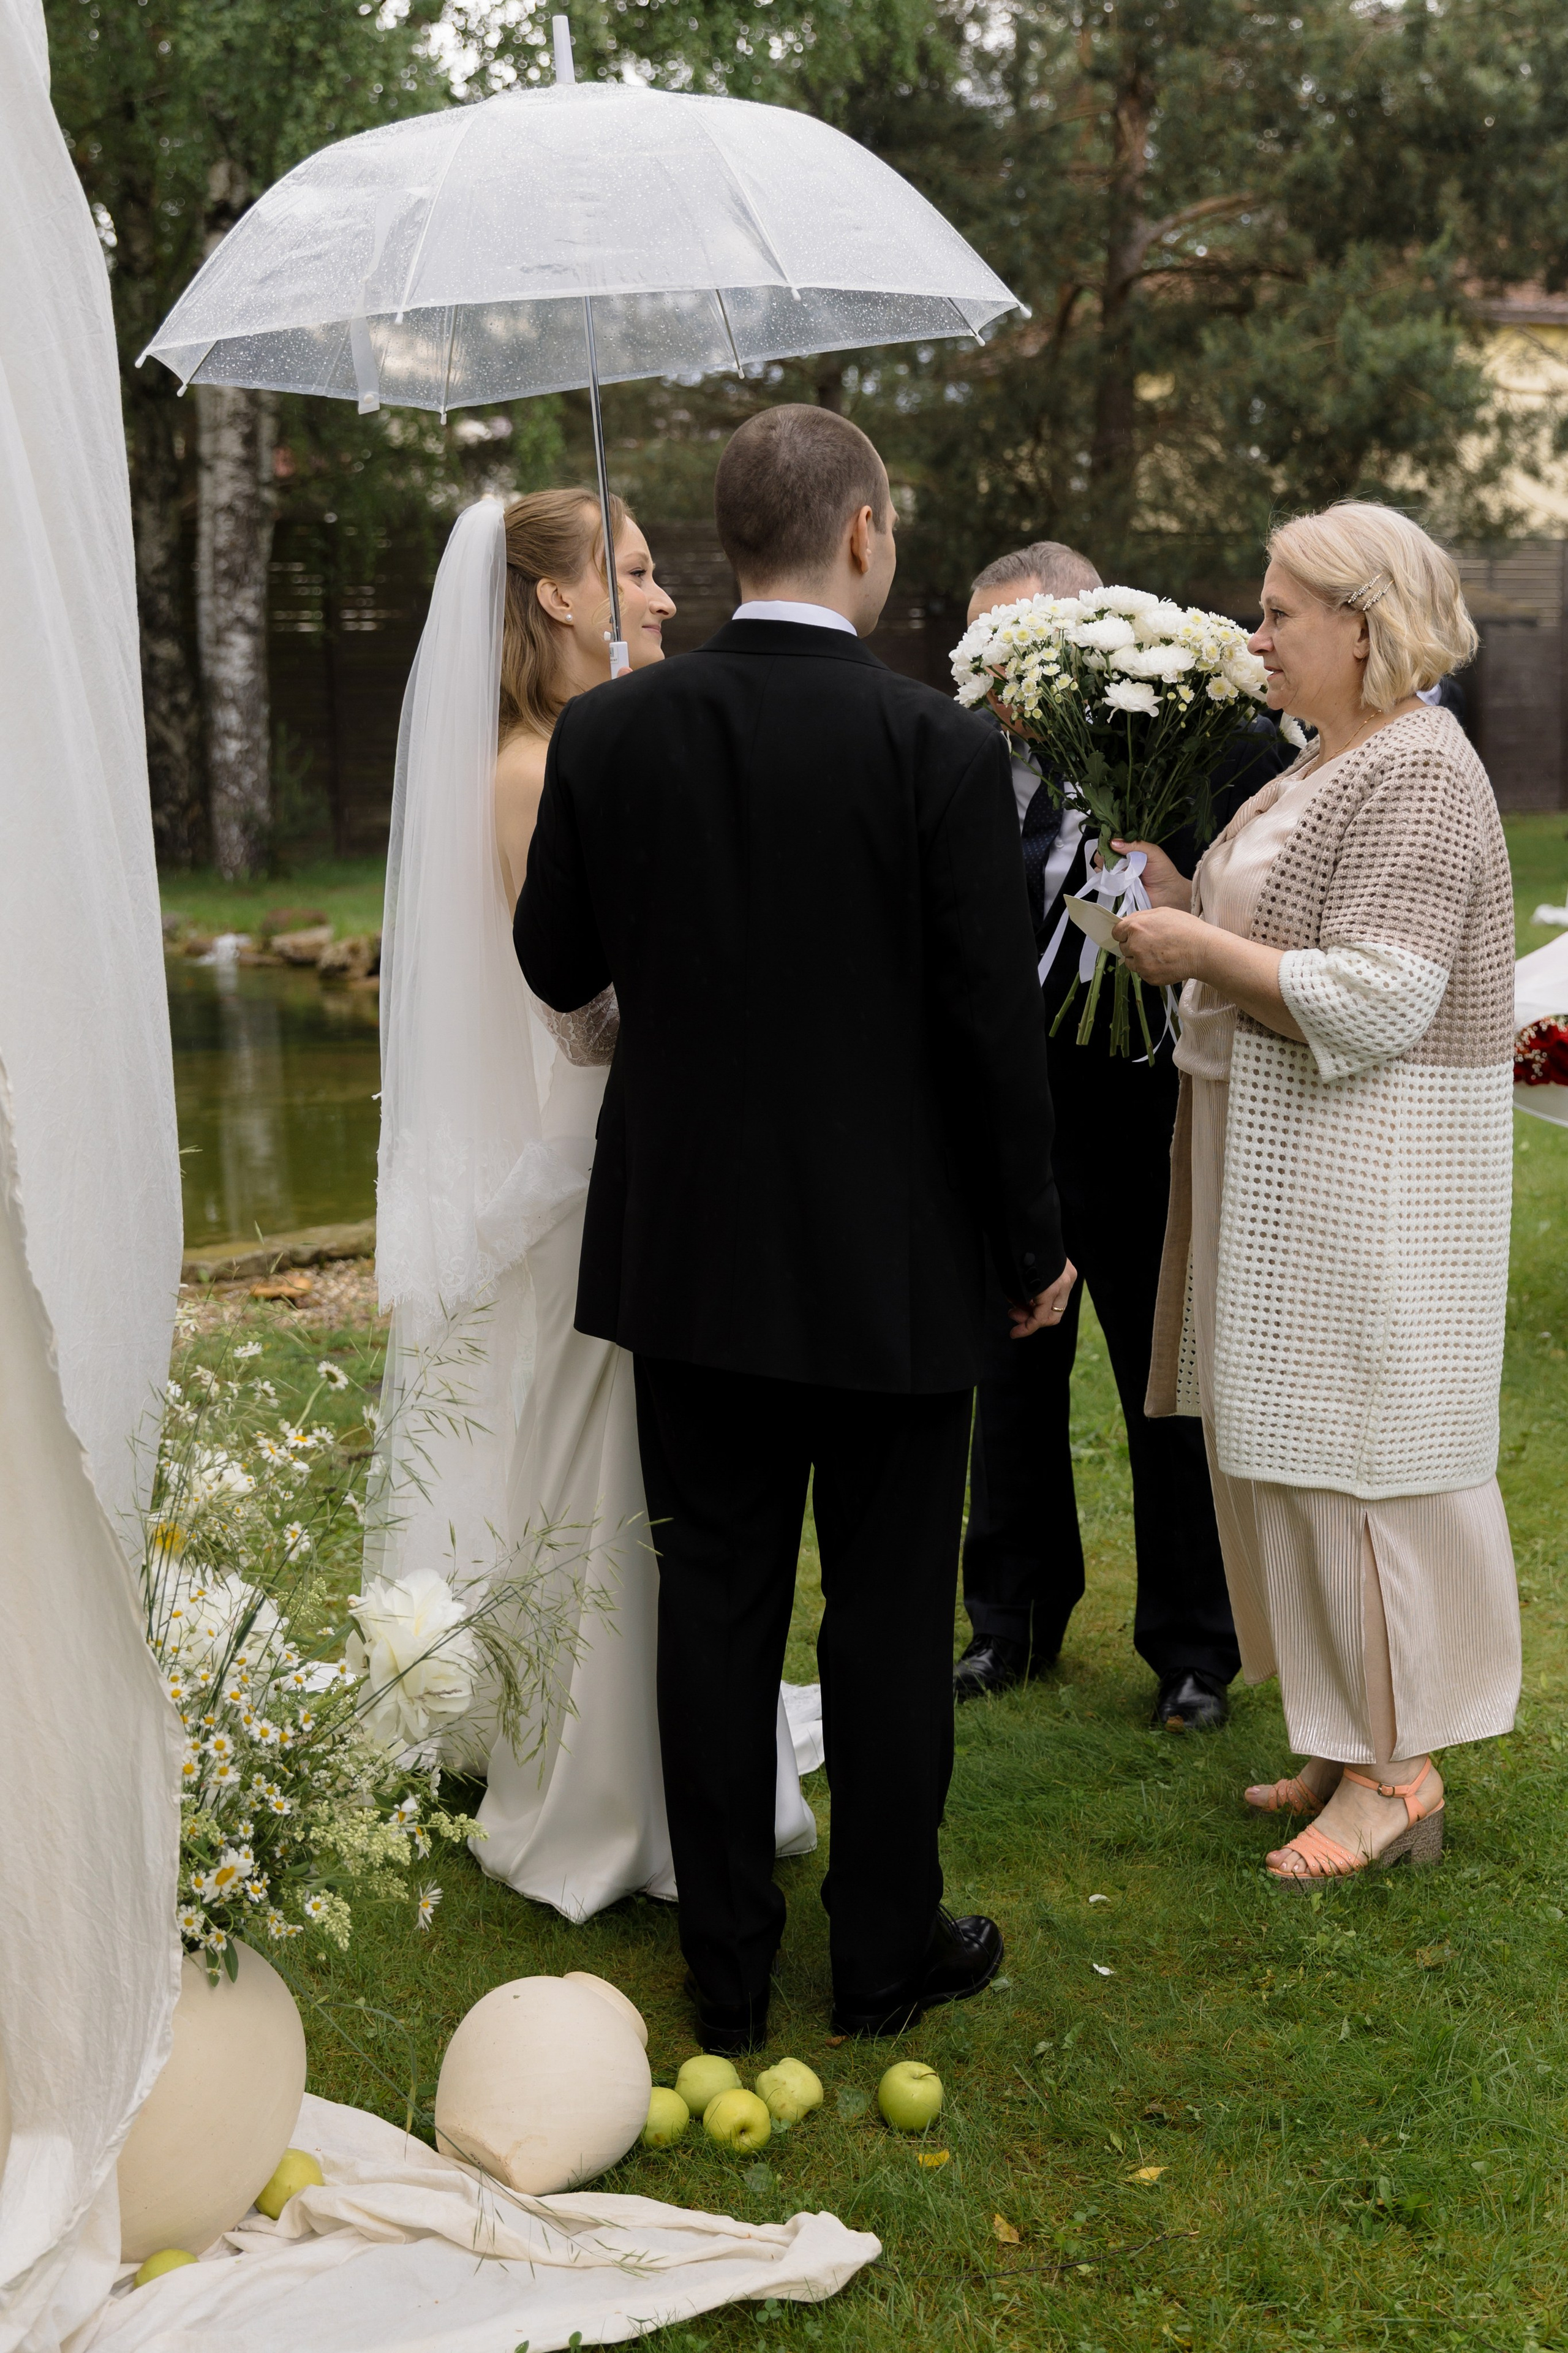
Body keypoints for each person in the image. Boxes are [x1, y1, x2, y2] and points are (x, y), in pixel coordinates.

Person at [516, 406, 1076, 2047]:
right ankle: (884, 1958)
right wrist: (1031, 1246)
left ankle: (728, 1974)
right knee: (888, 1617)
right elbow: (992, 1031)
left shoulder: (613, 732)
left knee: (712, 1603)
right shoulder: (937, 747)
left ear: (726, 542)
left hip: (690, 1251)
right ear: (860, 532)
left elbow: (557, 963)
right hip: (892, 1261)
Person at [372, 486, 818, 1927]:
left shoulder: (605, 739)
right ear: (555, 596)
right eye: (630, 569)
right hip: (592, 1157)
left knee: (659, 1473)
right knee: (611, 1475)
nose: (665, 594)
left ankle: (675, 1749)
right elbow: (577, 1016)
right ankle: (603, 1781)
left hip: (627, 1149)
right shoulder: (532, 769)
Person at [1116, 499, 1519, 1883]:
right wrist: (1182, 897)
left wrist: (1197, 951)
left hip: (1372, 1176)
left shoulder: (1418, 770)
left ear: (1363, 626)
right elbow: (1284, 928)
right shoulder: (1318, 759)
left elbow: (1384, 991)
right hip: (1284, 1163)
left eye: (1279, 611)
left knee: (1358, 1463)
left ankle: (1398, 1773)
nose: (1256, 633)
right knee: (1286, 1451)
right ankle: (1343, 1737)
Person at [954, 541, 1289, 1729]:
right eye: (983, 653)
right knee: (1009, 1375)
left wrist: (1182, 891)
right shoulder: (963, 765)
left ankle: (1195, 1648)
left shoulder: (1214, 751)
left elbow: (1263, 907)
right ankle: (1009, 1619)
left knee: (1169, 1381)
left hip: (1153, 1112)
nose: (1000, 683)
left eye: (1018, 650)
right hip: (1011, 1116)